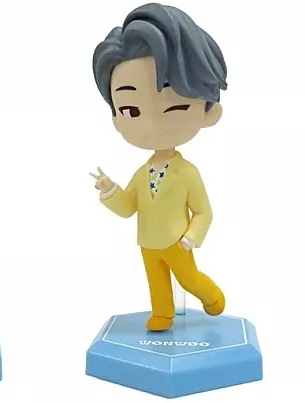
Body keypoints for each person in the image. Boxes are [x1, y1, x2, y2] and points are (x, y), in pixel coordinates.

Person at [90, 3, 227, 331]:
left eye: (175, 106)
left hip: (177, 242)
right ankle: (162, 313)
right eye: (131, 111)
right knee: (156, 281)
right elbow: (129, 207)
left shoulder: (187, 173)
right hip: (147, 242)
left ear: (208, 111)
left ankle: (211, 295)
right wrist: (110, 191)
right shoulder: (142, 172)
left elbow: (204, 212)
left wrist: (192, 237)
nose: (150, 124)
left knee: (188, 277)